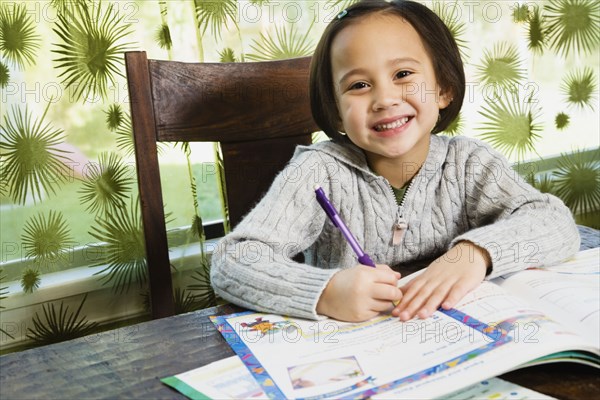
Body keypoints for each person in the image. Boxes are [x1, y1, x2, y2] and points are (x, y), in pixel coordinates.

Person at [210, 0, 579, 323]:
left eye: (403, 74)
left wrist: (475, 253)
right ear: (336, 113)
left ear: (444, 88)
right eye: (358, 85)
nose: (384, 99)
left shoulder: (469, 164)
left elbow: (554, 222)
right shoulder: (316, 172)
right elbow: (234, 261)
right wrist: (325, 291)